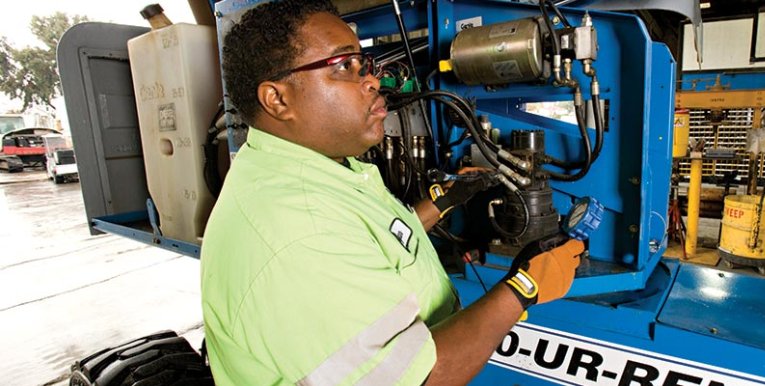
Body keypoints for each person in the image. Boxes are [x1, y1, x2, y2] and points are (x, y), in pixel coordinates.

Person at [200, 0, 585, 384]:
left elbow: (365, 239)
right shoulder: (296, 230)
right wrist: (524, 287)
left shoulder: (312, 169)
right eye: (343, 67)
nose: (372, 81)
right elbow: (422, 376)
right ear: (277, 99)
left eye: (363, 64)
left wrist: (439, 203)